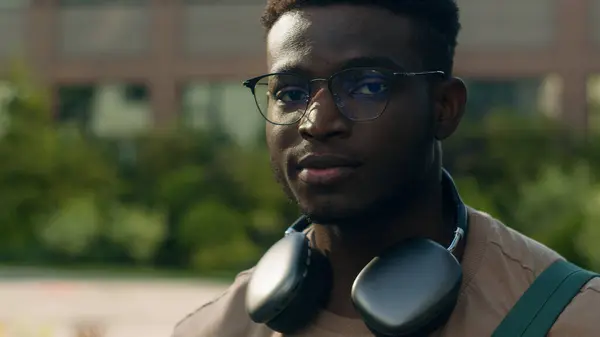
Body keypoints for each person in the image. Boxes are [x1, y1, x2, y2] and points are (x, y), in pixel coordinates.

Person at [172, 0, 600, 336]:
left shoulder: (566, 317)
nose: (316, 123)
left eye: (367, 86)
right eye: (290, 92)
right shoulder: (213, 329)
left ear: (444, 108)